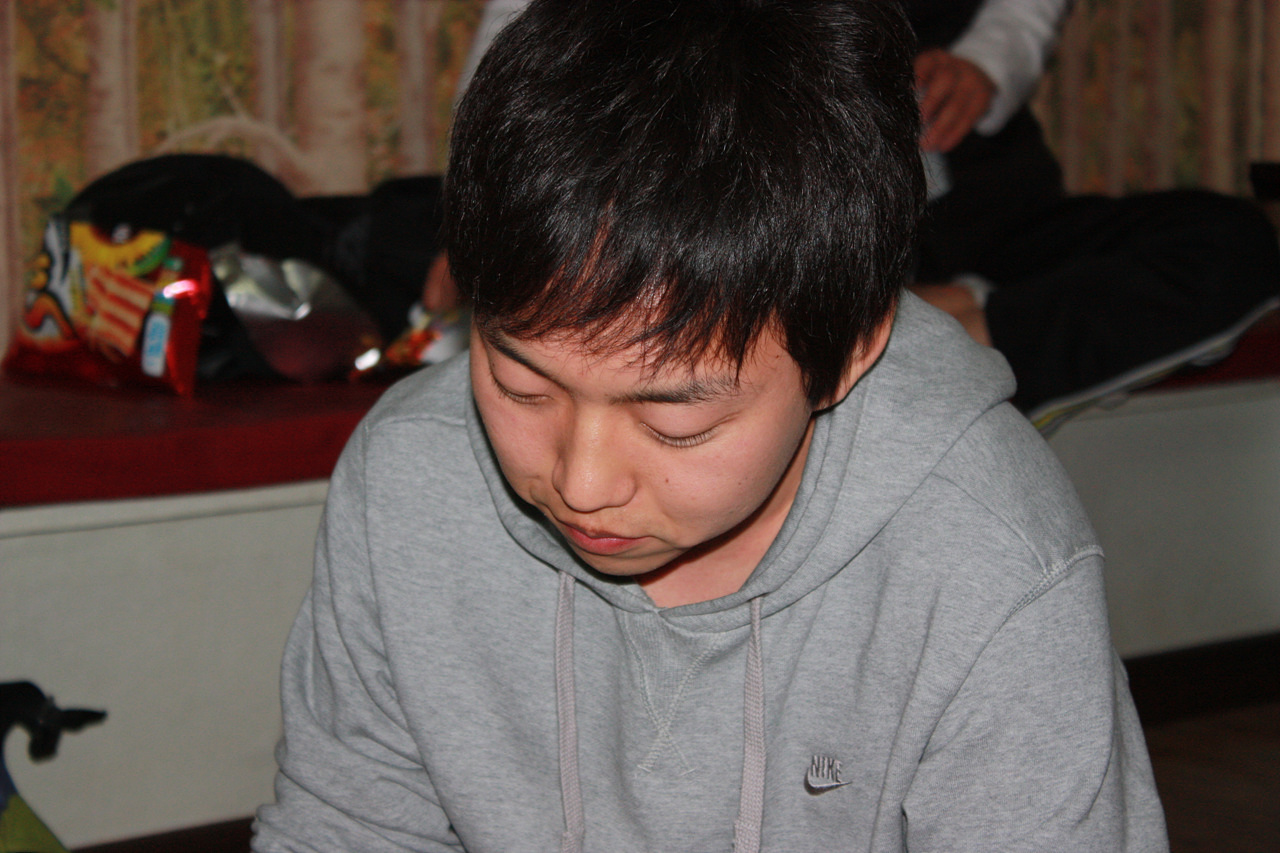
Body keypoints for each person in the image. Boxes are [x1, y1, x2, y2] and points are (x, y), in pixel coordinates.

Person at [253, 1, 1167, 850]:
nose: (581, 482)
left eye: (676, 422)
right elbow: (348, 825)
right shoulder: (409, 472)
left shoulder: (989, 552)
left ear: (848, 350)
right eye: (521, 384)